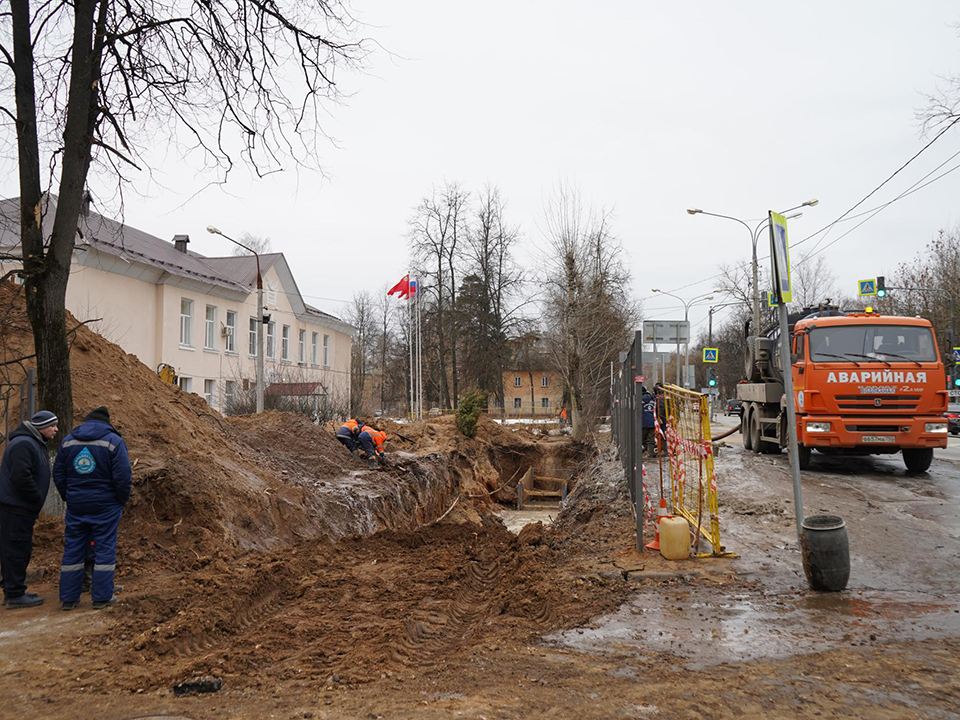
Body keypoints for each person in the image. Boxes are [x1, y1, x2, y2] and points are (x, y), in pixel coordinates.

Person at [53, 406, 131, 611]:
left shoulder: (68, 441)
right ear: (106, 422)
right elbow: (123, 477)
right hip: (105, 505)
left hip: (77, 504)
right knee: (104, 547)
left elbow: (59, 474)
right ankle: (102, 597)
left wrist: (68, 496)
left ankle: (69, 598)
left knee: (73, 547)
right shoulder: (113, 441)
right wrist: (120, 500)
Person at [0, 410, 58, 609]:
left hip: (20, 508)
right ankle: (14, 595)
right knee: (16, 550)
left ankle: (14, 590)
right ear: (41, 426)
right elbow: (20, 477)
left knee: (18, 549)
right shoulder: (24, 444)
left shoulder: (33, 442)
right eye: (52, 425)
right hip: (16, 508)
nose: (56, 429)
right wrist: (35, 498)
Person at [641, 387, 656, 456]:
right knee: (651, 439)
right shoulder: (652, 399)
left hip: (642, 423)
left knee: (641, 438)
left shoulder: (639, 400)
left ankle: (644, 451)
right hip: (652, 422)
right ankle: (650, 453)